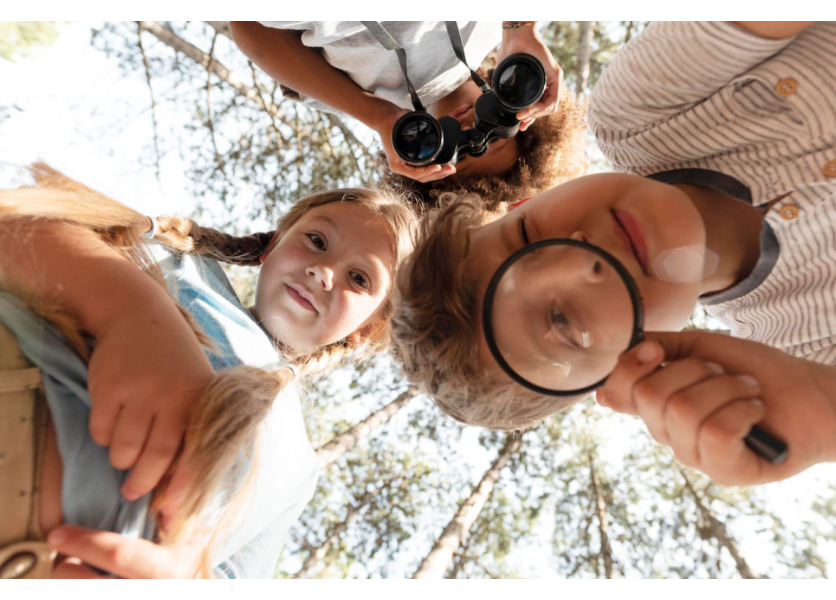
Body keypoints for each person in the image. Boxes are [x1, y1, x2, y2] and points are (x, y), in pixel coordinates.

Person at [390, 21, 836, 487]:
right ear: (622, 367)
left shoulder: (638, 114)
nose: (581, 258)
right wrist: (826, 408)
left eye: (527, 235)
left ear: (525, 202)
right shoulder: (810, 353)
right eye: (562, 321)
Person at [0, 164, 415, 578]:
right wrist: (128, 310)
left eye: (358, 278)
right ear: (271, 246)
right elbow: (16, 222)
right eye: (317, 240)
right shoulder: (179, 262)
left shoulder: (301, 470)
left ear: (367, 329)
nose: (322, 272)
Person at [229, 21, 586, 209]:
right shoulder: (501, 27)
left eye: (459, 152)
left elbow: (248, 27)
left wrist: (380, 117)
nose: (468, 127)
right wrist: (521, 27)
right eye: (493, 139)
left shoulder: (357, 99)